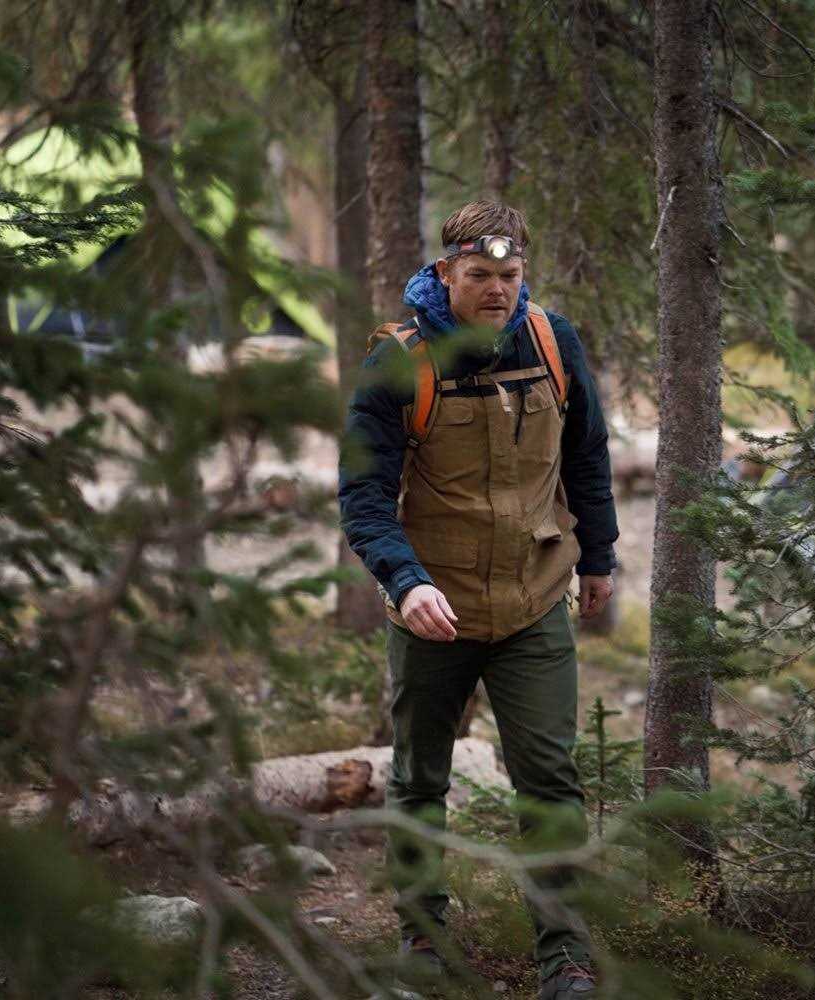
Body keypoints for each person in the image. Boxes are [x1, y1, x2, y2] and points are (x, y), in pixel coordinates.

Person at [338, 200, 619, 999]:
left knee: (550, 780)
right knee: (420, 778)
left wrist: (599, 558)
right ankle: (421, 941)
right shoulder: (399, 361)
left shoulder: (551, 343)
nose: (497, 290)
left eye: (510, 274)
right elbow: (363, 496)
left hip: (534, 600)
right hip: (436, 607)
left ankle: (565, 958)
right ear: (445, 272)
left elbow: (588, 456)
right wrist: (406, 581)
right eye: (480, 275)